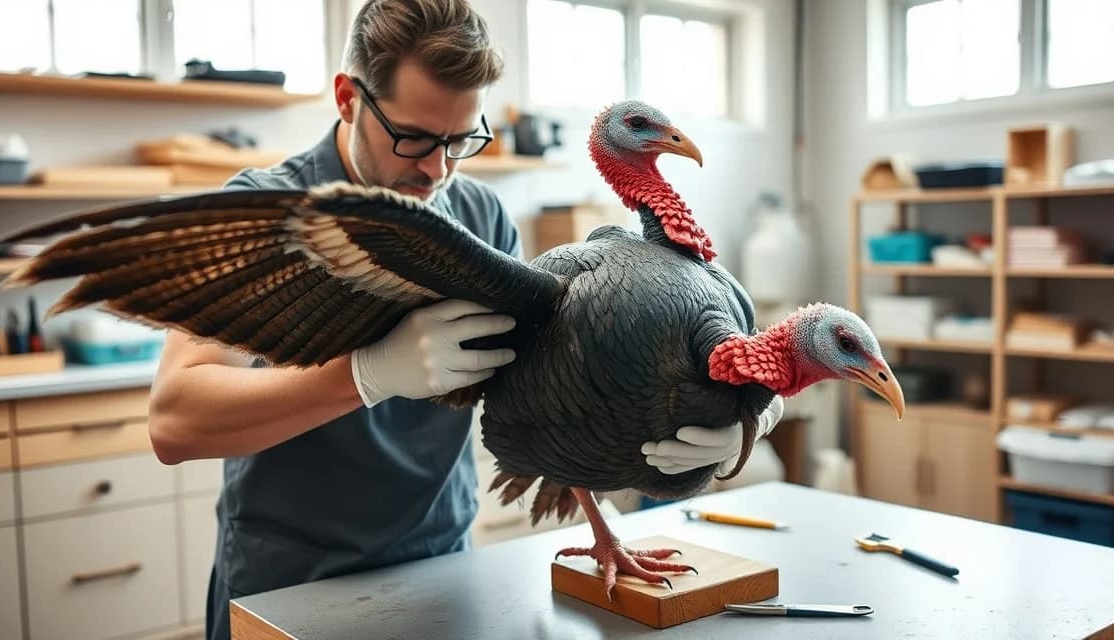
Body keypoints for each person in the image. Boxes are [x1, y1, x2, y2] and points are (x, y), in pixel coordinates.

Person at [143, 2, 782, 638]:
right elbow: (175, 421)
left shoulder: (480, 216)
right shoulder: (261, 213)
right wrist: (366, 374)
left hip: (441, 568)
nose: (437, 169)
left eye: (460, 141)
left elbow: (559, 388)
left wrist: (742, 418)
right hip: (290, 585)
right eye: (414, 138)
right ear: (346, 98)